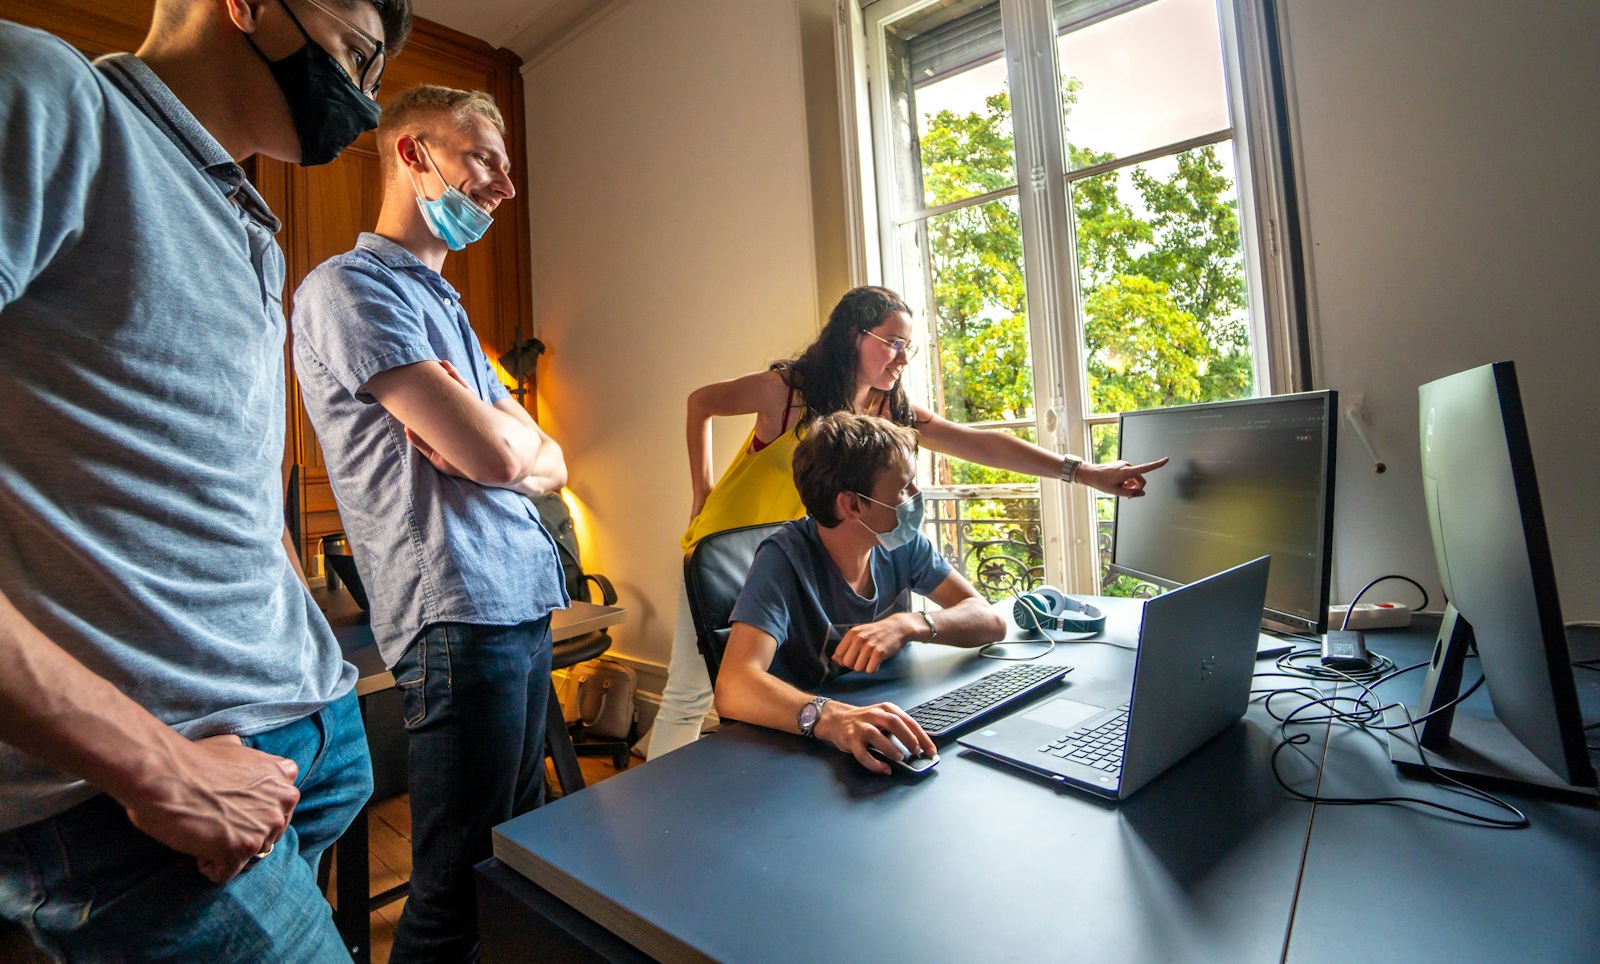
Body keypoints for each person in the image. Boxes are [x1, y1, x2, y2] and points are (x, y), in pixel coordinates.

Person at [0, 0, 409, 959]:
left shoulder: (253, 227)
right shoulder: (52, 96)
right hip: (146, 791)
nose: (363, 108)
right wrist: (156, 767)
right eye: (357, 59)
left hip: (302, 737)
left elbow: (232, 483)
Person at [646, 285, 1167, 758]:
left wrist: (1082, 472)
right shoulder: (787, 391)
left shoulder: (884, 409)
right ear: (853, 335)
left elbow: (977, 442)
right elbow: (701, 403)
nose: (902, 357)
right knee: (690, 694)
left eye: (908, 347)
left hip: (807, 548)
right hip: (724, 546)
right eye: (892, 342)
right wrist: (703, 490)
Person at [291, 83, 569, 963]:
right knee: (455, 890)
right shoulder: (348, 287)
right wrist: (503, 445)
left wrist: (502, 441)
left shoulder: (449, 309)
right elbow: (497, 457)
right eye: (484, 156)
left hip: (517, 601)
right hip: (457, 616)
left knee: (515, 866)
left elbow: (548, 459)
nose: (504, 186)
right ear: (414, 155)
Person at [713, 413, 1006, 771]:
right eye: (903, 488)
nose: (916, 497)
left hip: (890, 714)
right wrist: (831, 717)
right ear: (851, 504)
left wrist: (909, 624)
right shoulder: (783, 559)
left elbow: (989, 619)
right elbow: (733, 685)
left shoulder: (902, 544)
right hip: (808, 752)